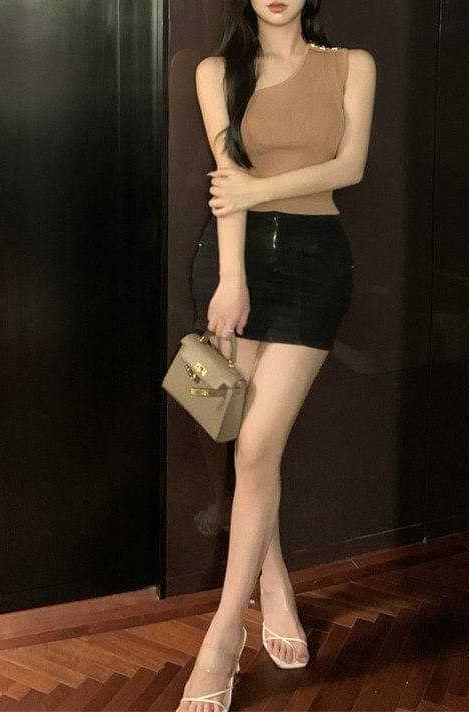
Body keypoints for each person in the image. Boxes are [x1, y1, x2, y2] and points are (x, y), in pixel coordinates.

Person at [178, 1, 375, 709]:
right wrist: (230, 281)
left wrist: (262, 189)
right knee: (231, 428)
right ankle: (273, 576)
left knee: (258, 443)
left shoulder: (351, 66)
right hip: (231, 263)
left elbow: (349, 167)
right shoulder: (215, 71)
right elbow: (226, 177)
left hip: (314, 264)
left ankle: (223, 634)